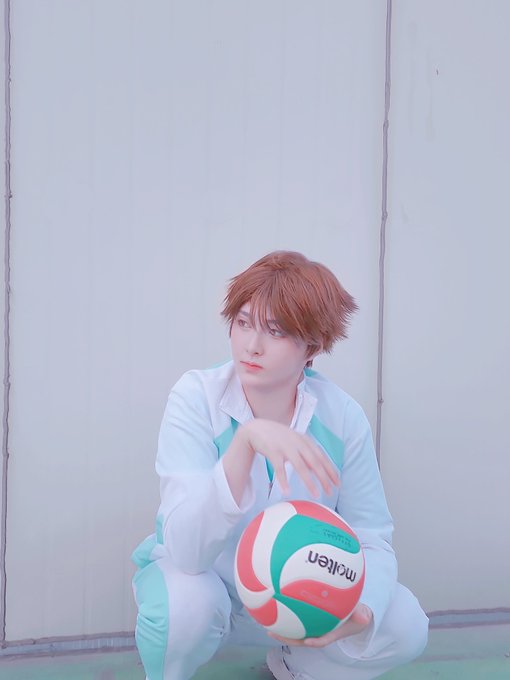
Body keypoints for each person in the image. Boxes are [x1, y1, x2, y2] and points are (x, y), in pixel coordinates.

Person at [132, 251, 428, 680]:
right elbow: (187, 551)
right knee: (184, 607)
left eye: (276, 331)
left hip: (303, 595)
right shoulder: (196, 397)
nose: (252, 345)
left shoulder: (342, 417)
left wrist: (362, 609)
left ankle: (298, 664)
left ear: (313, 346)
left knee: (405, 625)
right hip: (212, 586)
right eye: (243, 322)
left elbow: (372, 538)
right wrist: (246, 442)